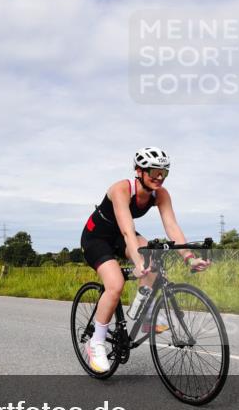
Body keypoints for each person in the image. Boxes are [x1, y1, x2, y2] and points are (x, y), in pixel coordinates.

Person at [79, 147, 210, 373]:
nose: (159, 177)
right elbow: (128, 230)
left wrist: (189, 257)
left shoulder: (161, 194)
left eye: (164, 173)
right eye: (154, 172)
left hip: (120, 236)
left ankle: (146, 315)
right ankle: (96, 343)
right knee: (115, 283)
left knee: (154, 261)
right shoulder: (121, 189)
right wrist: (138, 262)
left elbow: (171, 226)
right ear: (139, 171)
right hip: (96, 239)